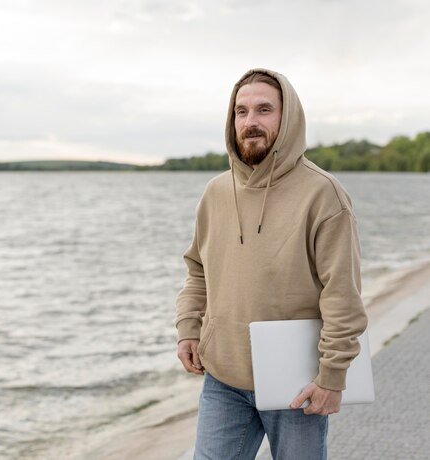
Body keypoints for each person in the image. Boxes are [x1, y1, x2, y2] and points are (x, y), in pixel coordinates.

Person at [174, 68, 368, 460]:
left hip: (296, 381)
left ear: (288, 116)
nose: (251, 122)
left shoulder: (324, 195)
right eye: (241, 112)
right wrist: (188, 328)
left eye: (264, 110)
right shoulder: (215, 192)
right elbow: (198, 269)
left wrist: (333, 376)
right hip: (223, 379)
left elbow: (342, 295)